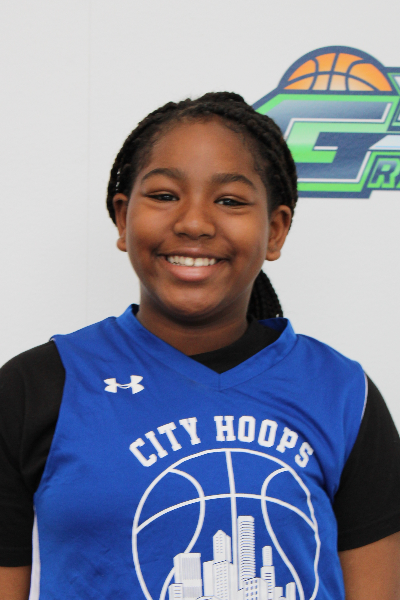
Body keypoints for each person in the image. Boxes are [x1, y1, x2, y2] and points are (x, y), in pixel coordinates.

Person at [1, 92, 400, 600]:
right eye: (164, 195)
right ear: (122, 218)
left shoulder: (342, 392)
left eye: (230, 200)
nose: (193, 222)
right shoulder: (37, 387)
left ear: (275, 231)